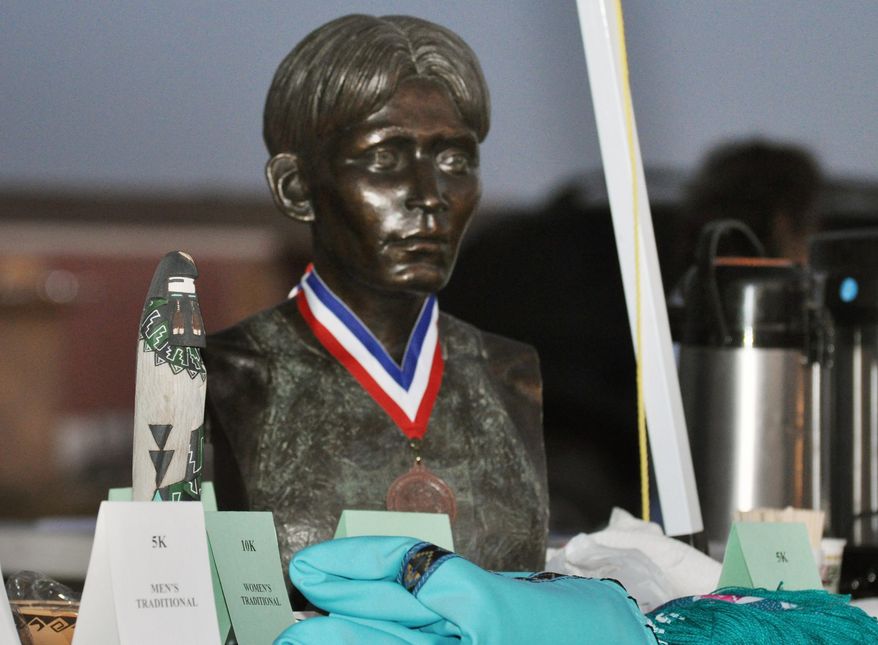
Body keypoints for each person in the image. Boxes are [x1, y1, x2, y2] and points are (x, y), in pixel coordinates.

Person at [204, 15, 548, 574]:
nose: (429, 196)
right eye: (385, 159)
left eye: (454, 161)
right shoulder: (225, 379)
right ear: (296, 188)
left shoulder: (511, 375)